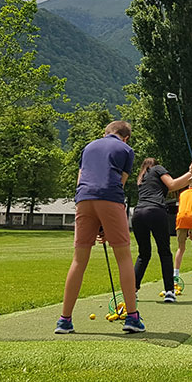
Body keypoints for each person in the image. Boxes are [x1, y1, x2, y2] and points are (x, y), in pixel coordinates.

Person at [57, 120, 143, 334]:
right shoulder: (126, 149)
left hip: (83, 199)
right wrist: (106, 224)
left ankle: (64, 320)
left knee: (79, 259)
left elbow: (81, 179)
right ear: (126, 137)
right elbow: (119, 183)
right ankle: (132, 317)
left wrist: (99, 224)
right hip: (110, 198)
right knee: (123, 256)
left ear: (105, 133)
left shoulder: (88, 147)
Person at [131, 157, 192, 302]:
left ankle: (132, 291)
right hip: (155, 211)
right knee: (165, 252)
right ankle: (169, 292)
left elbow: (179, 184)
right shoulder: (157, 168)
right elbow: (173, 184)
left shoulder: (142, 178)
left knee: (143, 254)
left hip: (138, 214)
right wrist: (190, 172)